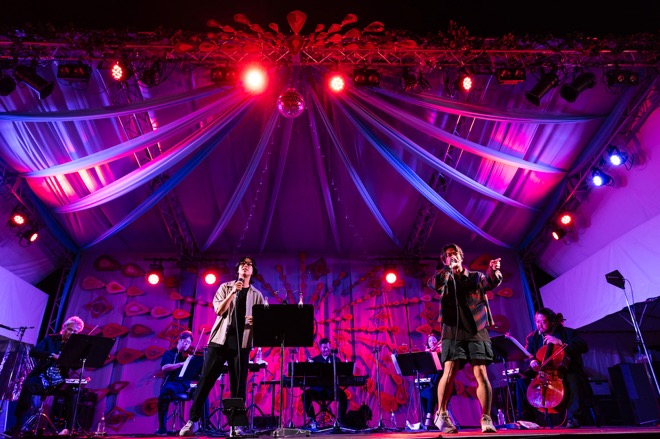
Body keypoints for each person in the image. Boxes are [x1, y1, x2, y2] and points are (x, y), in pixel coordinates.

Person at [179, 256, 265, 437]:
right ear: (238, 269)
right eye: (242, 264)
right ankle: (192, 421)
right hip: (220, 340)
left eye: (249, 264)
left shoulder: (257, 295)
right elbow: (219, 310)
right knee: (205, 380)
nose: (245, 266)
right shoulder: (225, 287)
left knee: (238, 386)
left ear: (253, 271)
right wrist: (233, 292)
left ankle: (236, 426)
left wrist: (256, 321)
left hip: (242, 343)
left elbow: (263, 321)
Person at [426, 243, 502, 434]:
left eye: (455, 253)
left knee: (481, 373)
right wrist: (448, 270)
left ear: (461, 256)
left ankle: (486, 418)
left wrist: (494, 271)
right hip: (452, 330)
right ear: (444, 260)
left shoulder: (476, 276)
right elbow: (433, 283)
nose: (452, 256)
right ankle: (441, 414)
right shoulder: (443, 277)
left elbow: (491, 282)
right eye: (448, 255)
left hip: (477, 330)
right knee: (449, 371)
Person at [515, 307, 590, 429]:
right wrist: (532, 361)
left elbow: (583, 346)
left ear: (552, 322)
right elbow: (527, 355)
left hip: (566, 372)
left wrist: (560, 342)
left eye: (543, 322)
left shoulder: (568, 333)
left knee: (574, 380)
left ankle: (573, 418)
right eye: (537, 322)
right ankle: (526, 420)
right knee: (521, 383)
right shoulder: (533, 337)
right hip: (542, 373)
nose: (539, 325)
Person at [11, 316, 85, 436]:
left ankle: (68, 428)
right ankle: (18, 426)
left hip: (59, 379)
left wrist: (81, 357)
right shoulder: (51, 339)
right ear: (64, 328)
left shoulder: (73, 346)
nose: (71, 333)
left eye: (75, 332)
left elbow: (75, 367)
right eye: (70, 329)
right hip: (42, 376)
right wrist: (52, 355)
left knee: (73, 391)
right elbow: (34, 352)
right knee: (27, 386)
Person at [303, 337, 348, 430]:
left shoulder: (336, 360)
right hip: (317, 390)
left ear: (330, 347)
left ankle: (341, 421)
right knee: (305, 395)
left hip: (331, 390)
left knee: (343, 396)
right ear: (320, 348)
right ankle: (313, 420)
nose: (326, 349)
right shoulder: (314, 360)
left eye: (327, 347)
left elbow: (341, 375)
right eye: (324, 347)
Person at [156, 331, 195, 435]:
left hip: (185, 384)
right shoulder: (169, 353)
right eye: (185, 341)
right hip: (172, 383)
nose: (187, 344)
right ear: (180, 340)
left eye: (189, 343)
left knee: (201, 393)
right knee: (165, 393)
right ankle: (162, 428)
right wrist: (182, 364)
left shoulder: (189, 356)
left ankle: (204, 426)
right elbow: (165, 367)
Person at [420, 333, 442, 430]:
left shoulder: (440, 350)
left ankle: (429, 416)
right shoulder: (429, 353)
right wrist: (426, 356)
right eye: (429, 341)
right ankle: (428, 416)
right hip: (431, 377)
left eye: (434, 339)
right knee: (422, 393)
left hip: (440, 376)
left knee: (431, 390)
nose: (432, 342)